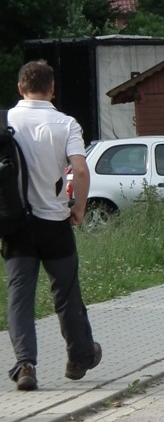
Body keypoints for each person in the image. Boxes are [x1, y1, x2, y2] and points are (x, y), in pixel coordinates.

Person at [4, 60, 102, 392]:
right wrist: (80, 207)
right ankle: (79, 358)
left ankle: (25, 365)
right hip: (54, 222)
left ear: (21, 87)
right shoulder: (66, 123)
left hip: (15, 225)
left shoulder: (5, 121)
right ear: (52, 88)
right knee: (66, 292)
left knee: (20, 295)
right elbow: (81, 170)